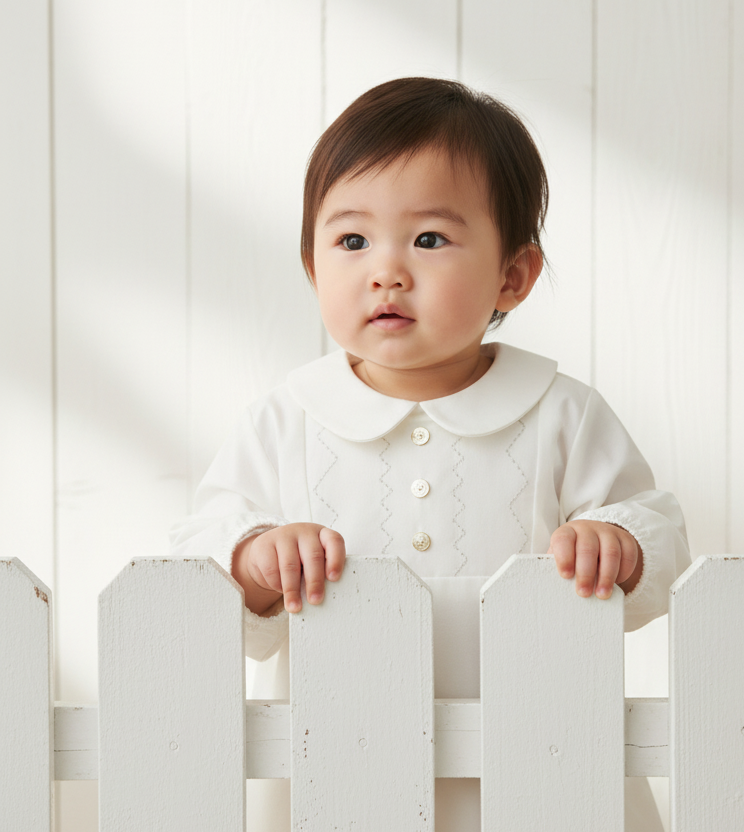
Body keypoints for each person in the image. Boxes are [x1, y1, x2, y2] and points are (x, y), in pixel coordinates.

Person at [170, 76, 690, 832]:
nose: (386, 270)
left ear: (513, 275)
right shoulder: (288, 418)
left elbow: (660, 530)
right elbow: (198, 548)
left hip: (545, 762)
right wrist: (252, 557)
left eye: (429, 239)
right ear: (315, 268)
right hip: (339, 767)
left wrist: (620, 544)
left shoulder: (560, 412)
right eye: (352, 241)